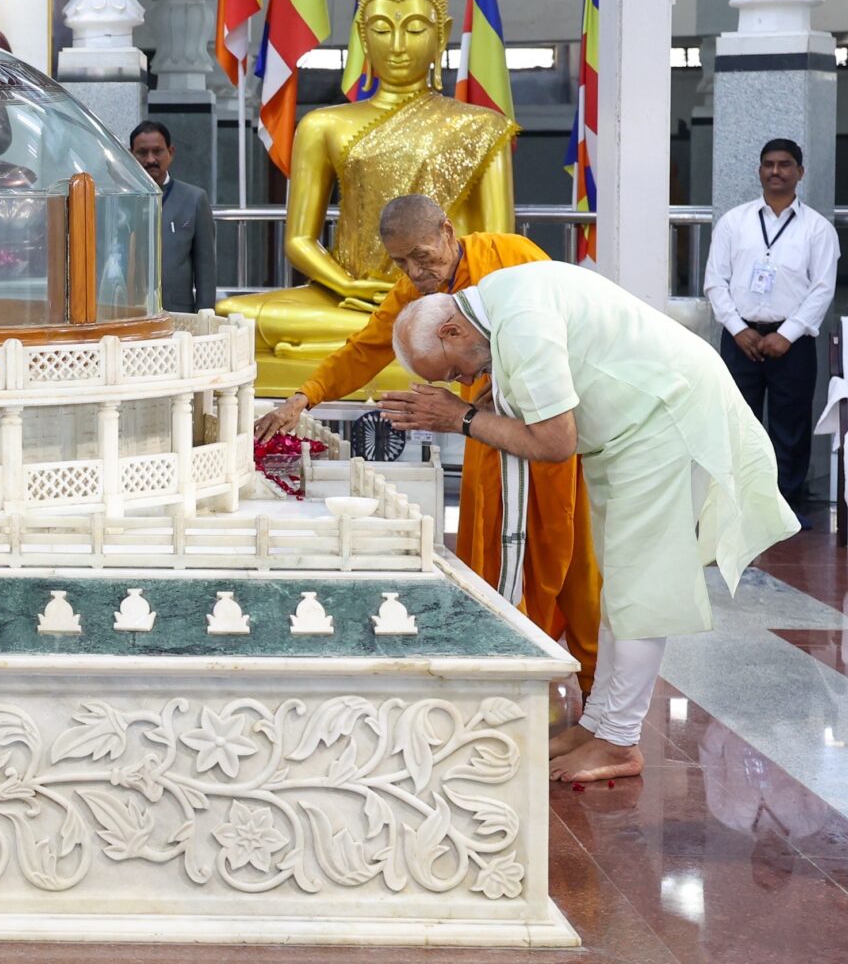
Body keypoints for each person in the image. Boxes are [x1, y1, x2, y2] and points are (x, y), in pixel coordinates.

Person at [382, 263, 797, 784]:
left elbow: (555, 444)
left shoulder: (520, 321)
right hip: (630, 431)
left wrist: (460, 418)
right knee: (618, 583)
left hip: (662, 420)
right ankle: (598, 724)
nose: (465, 382)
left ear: (451, 330)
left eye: (452, 372)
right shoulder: (498, 302)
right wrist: (491, 399)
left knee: (640, 587)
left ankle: (620, 740)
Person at [254, 195, 601, 691]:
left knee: (571, 556)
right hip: (484, 429)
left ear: (447, 231)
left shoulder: (513, 257)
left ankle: (592, 681)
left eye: (422, 256)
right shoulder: (411, 292)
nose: (416, 273)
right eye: (401, 263)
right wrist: (303, 397)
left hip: (547, 425)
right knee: (489, 547)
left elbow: (563, 333)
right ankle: (505, 671)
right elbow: (365, 348)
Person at [216, 0, 516, 395]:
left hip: (448, 301)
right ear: (361, 33)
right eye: (380, 29)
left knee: (451, 326)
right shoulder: (324, 125)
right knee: (234, 316)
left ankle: (364, 344)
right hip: (345, 300)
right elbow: (300, 239)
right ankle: (388, 343)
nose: (396, 46)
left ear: (441, 35)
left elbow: (496, 246)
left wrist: (445, 293)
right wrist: (348, 287)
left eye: (414, 29)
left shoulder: (481, 126)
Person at [703, 139, 839, 527]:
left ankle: (783, 510)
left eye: (785, 164)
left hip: (792, 343)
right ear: (760, 170)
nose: (776, 171)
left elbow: (822, 289)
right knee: (737, 423)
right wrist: (738, 328)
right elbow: (715, 281)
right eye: (768, 164)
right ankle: (737, 508)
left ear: (800, 172)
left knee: (790, 427)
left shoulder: (817, 229)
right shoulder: (734, 222)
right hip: (740, 338)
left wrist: (788, 334)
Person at [130, 120, 219, 314]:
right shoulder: (120, 199)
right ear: (130, 155)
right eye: (142, 152)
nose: (150, 159)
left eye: (157, 151)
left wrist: (205, 315)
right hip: (127, 311)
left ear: (170, 152)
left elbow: (205, 267)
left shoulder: (194, 199)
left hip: (178, 314)